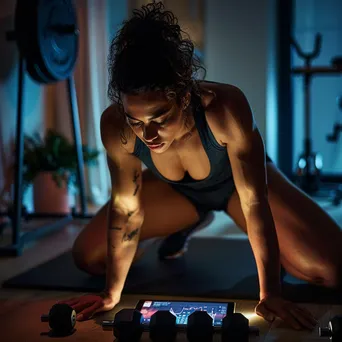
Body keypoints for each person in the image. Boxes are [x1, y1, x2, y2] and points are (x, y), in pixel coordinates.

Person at [60, 1, 342, 330]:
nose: (148, 134)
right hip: (177, 191)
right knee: (89, 257)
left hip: (240, 188)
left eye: (159, 118)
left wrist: (269, 293)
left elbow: (254, 201)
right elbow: (126, 208)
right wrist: (111, 293)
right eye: (136, 120)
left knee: (331, 270)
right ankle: (185, 222)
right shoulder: (116, 126)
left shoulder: (225, 108)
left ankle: (204, 222)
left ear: (183, 96)